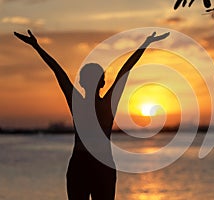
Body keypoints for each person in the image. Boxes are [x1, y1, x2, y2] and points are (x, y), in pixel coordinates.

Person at [14, 30, 169, 200]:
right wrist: (145, 44)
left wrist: (37, 46)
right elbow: (124, 70)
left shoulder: (81, 103)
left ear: (82, 82)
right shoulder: (101, 103)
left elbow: (59, 72)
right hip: (91, 165)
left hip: (92, 165)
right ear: (102, 82)